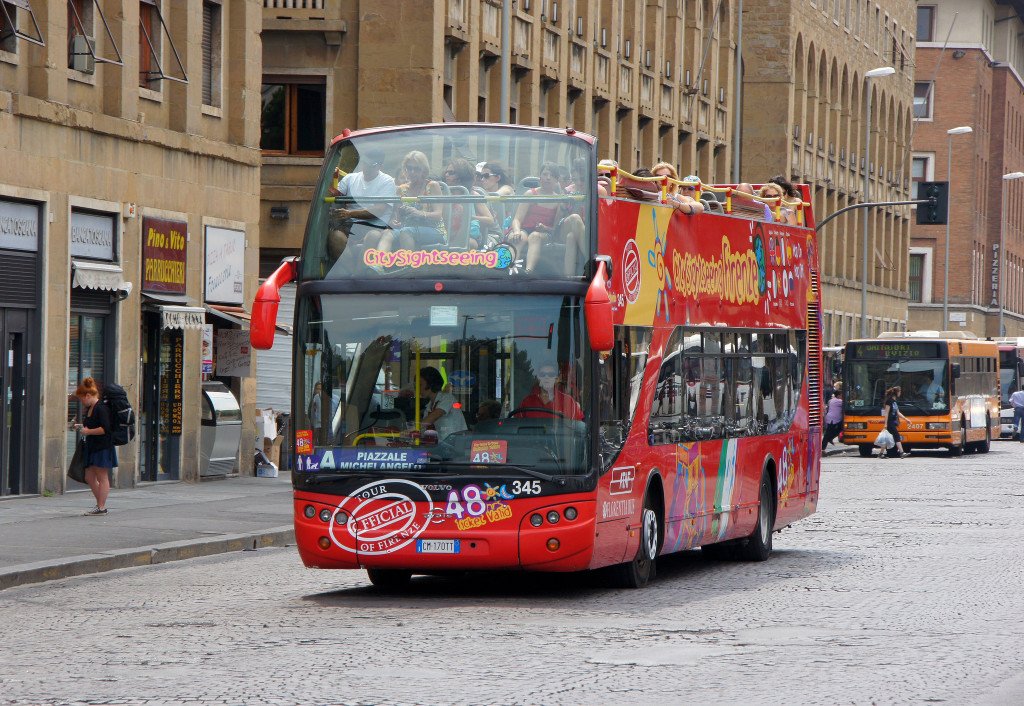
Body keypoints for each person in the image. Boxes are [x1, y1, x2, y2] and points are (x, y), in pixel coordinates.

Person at [326, 147, 397, 268]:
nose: (366, 167)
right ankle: (352, 272)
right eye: (364, 163)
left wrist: (350, 214)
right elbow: (334, 195)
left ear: (380, 166)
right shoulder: (350, 178)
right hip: (351, 226)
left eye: (371, 165)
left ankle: (360, 273)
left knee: (373, 236)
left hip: (375, 226)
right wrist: (331, 177)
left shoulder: (387, 181)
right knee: (335, 237)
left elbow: (379, 210)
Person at [376, 150, 447, 254]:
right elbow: (396, 216)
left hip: (434, 230)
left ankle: (409, 267)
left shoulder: (432, 186)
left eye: (416, 169)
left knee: (406, 232)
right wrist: (394, 221)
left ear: (424, 170)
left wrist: (419, 213)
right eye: (409, 168)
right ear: (405, 169)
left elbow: (438, 215)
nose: (412, 172)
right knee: (387, 232)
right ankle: (378, 265)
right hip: (407, 228)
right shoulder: (401, 189)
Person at [509, 162, 566, 273]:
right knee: (518, 237)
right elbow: (517, 219)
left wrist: (545, 228)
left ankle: (528, 272)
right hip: (524, 229)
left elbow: (556, 229)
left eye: (552, 175)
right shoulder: (530, 194)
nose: (548, 178)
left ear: (557, 180)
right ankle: (509, 269)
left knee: (534, 236)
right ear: (540, 176)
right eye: (545, 174)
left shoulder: (559, 200)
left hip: (545, 233)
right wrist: (516, 231)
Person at [73, 377, 116, 515]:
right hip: (93, 446)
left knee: (102, 477)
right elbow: (93, 425)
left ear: (88, 395)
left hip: (103, 446)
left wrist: (88, 431)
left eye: (81, 399)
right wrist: (82, 427)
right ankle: (100, 505)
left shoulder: (101, 408)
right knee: (89, 477)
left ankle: (101, 507)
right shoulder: (91, 408)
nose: (81, 402)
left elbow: (105, 429)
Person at [444, 157, 495, 248]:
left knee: (467, 243)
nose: (447, 175)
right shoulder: (444, 193)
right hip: (447, 234)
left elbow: (490, 220)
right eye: (446, 172)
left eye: (451, 173)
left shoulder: (472, 194)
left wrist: (469, 217)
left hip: (469, 235)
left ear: (461, 175)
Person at [419, 366, 467, 441]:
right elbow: (424, 428)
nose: (417, 389)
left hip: (457, 445)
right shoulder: (429, 406)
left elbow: (435, 416)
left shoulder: (447, 398)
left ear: (430, 384)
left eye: (420, 385)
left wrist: (413, 429)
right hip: (443, 445)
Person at [880, 386, 911, 458]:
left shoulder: (894, 402)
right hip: (889, 422)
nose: (900, 393)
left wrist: (906, 419)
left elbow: (898, 412)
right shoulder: (889, 401)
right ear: (896, 393)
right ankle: (902, 452)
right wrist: (885, 424)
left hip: (893, 422)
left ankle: (881, 454)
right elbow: (886, 413)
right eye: (899, 392)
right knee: (896, 435)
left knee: (887, 438)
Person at [822, 385, 844, 450]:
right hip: (834, 419)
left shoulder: (831, 400)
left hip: (830, 418)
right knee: (828, 434)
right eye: (841, 395)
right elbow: (846, 404)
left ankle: (829, 439)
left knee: (832, 431)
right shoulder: (839, 401)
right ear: (838, 395)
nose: (842, 397)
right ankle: (823, 447)